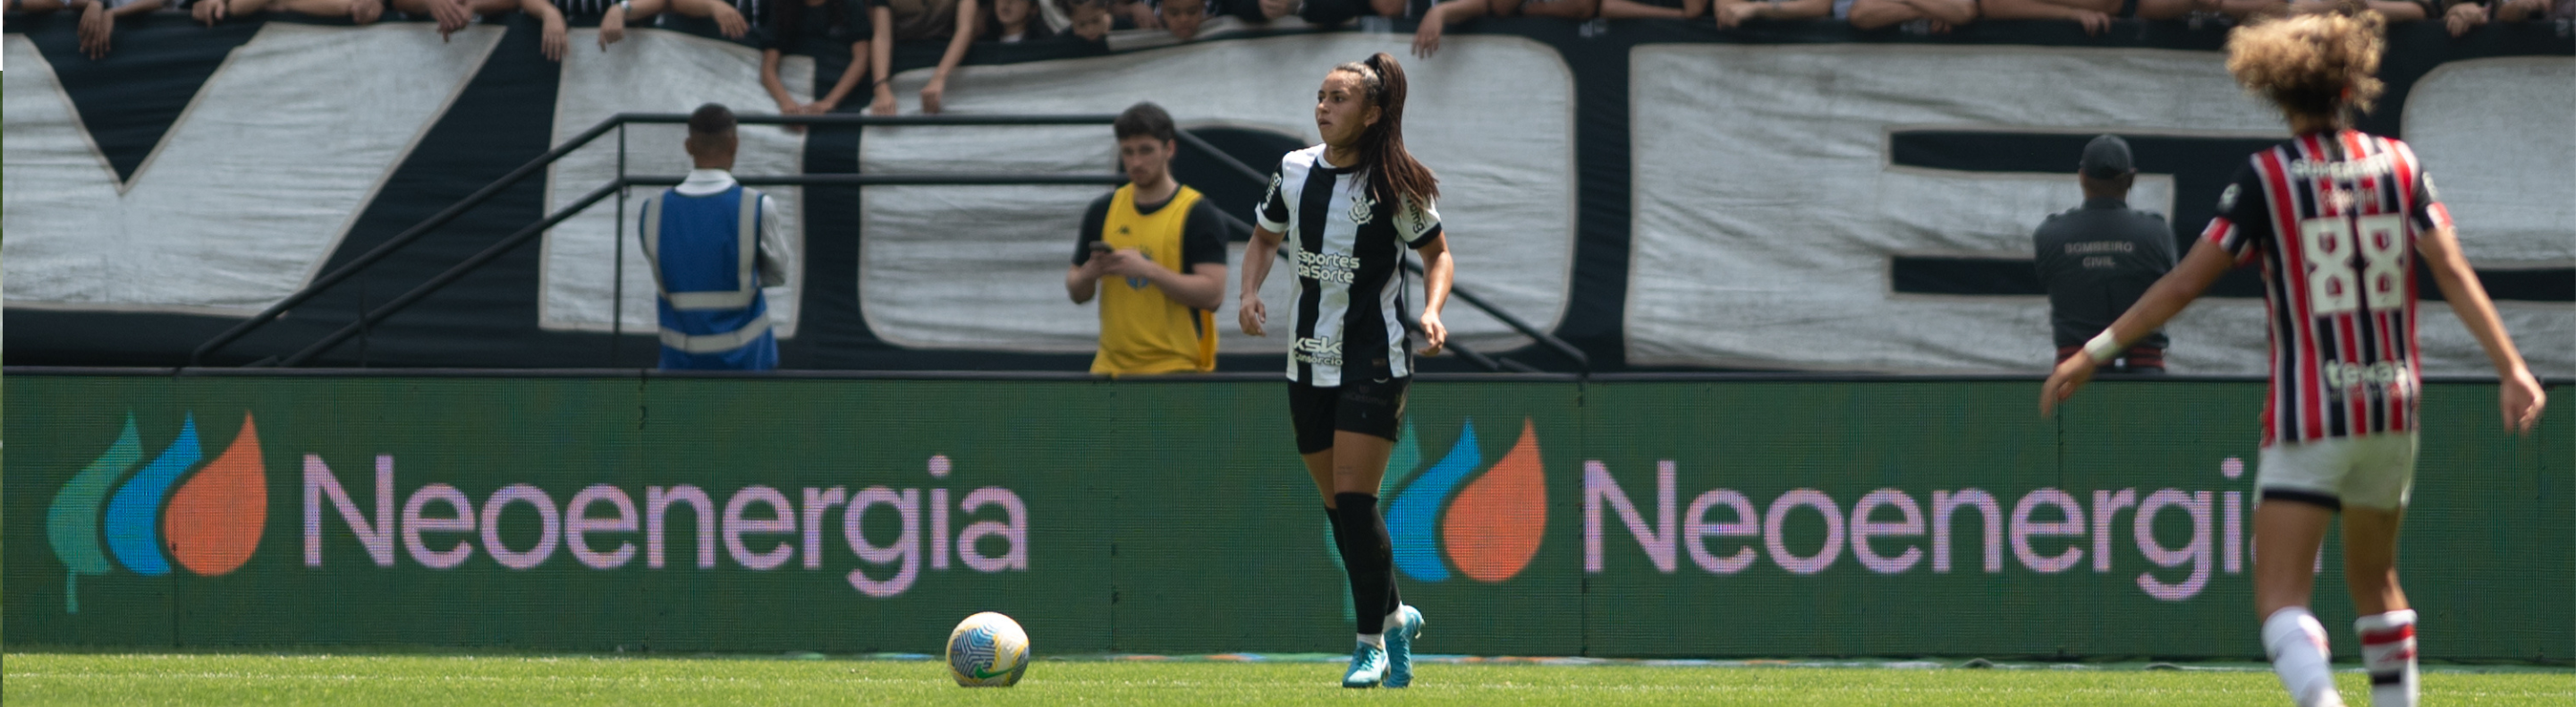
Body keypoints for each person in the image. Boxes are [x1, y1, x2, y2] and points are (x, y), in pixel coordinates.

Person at [2042, 6, 2546, 707]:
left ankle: (2321, 699)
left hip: (2311, 412)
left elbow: (2184, 284)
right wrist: (2511, 366)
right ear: (2352, 85)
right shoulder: (2401, 165)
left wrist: (2094, 352)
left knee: (2281, 598)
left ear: (2276, 91)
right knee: (2378, 584)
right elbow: (2453, 270)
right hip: (2392, 405)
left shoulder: (2266, 178)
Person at [1239, 53, 1454, 690]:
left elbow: (1437, 255)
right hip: (1306, 359)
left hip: (1374, 358)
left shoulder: (1397, 183)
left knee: (1358, 501)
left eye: (1339, 98)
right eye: (1321, 96)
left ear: (1372, 113)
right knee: (1340, 510)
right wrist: (1249, 292)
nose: (1324, 107)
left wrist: (1434, 311)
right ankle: (1397, 617)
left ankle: (1369, 646)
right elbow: (1262, 237)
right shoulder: (1294, 170)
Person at [1065, 103, 1232, 376]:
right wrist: (1089, 274)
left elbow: (1213, 295)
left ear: (1169, 149)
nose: (1136, 162)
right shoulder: (1103, 210)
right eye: (1128, 152)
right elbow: (1076, 292)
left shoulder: (1198, 213)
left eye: (1146, 150)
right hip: (1110, 370)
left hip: (1176, 369)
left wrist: (1148, 270)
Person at [639, 104, 798, 371]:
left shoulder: (652, 210)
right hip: (748, 365)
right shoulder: (757, 205)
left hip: (678, 367)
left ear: (688, 146)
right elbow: (777, 275)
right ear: (734, 144)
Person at [2033, 135, 2176, 374]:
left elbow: (2046, 279)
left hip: (2076, 376)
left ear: (2082, 177)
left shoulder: (2050, 235)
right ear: (2131, 179)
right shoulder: (2157, 233)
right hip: (2146, 380)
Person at [761, 0, 877, 119]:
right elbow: (768, 69)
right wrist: (786, 103)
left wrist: (830, 101)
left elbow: (862, 59)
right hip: (795, 96)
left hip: (843, 104)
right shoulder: (781, 8)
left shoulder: (850, 5)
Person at [870, 0, 978, 113]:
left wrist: (939, 78)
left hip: (947, 58)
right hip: (904, 59)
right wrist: (881, 87)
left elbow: (965, 29)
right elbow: (882, 37)